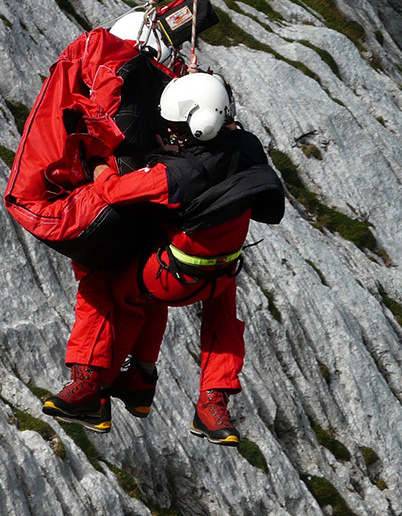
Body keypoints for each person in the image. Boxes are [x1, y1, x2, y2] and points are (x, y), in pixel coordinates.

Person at [42, 72, 285, 445]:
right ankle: (210, 403)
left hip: (173, 278)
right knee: (221, 321)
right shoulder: (247, 145)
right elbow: (210, 156)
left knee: (105, 285)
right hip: (223, 273)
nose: (171, 133)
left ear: (196, 126)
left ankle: (91, 387)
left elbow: (113, 190)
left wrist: (99, 160)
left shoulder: (177, 176)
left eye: (176, 128)